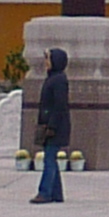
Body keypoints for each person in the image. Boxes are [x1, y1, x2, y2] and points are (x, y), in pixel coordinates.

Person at [31, 48, 70, 205]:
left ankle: (45, 192)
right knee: (51, 158)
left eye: (48, 59)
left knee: (49, 158)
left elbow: (59, 105)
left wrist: (51, 125)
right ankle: (56, 193)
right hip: (51, 124)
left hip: (55, 126)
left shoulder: (59, 80)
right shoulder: (53, 78)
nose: (46, 63)